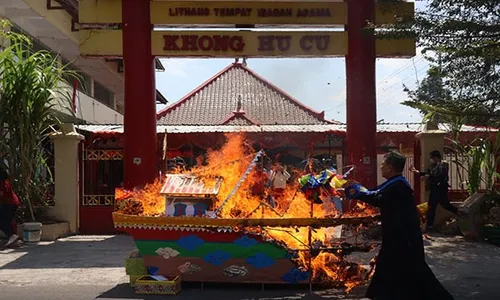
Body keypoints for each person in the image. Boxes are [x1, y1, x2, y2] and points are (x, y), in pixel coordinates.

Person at [344, 151, 454, 300]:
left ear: (390, 167)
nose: (381, 168)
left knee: (414, 272)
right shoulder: (394, 182)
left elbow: (377, 198)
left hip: (404, 239)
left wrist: (356, 192)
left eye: (383, 165)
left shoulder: (399, 186)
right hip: (396, 237)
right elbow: (374, 192)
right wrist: (358, 188)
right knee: (392, 270)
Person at [411, 150, 457, 231]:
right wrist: (416, 172)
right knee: (431, 206)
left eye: (432, 157)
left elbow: (439, 175)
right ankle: (430, 225)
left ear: (436, 157)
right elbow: (427, 174)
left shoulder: (444, 164)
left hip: (441, 188)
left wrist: (427, 176)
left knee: (445, 204)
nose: (431, 159)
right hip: (434, 189)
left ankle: (459, 213)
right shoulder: (432, 166)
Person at [0, 168, 20, 247]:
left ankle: (11, 236)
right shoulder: (5, 181)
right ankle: (14, 241)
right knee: (8, 221)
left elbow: (0, 194)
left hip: (9, 204)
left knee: (2, 221)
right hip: (12, 203)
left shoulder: (1, 182)